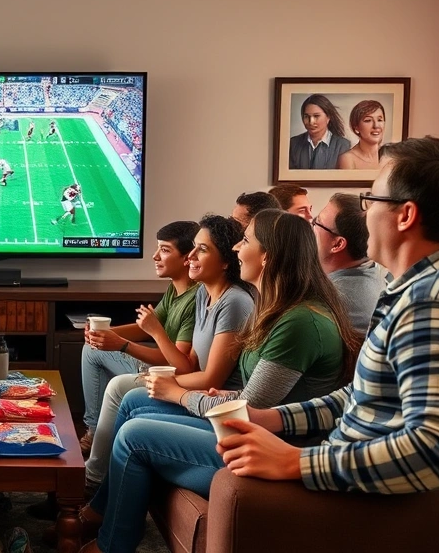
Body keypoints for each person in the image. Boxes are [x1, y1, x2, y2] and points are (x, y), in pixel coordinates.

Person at [209, 137, 439, 531]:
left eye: (371, 199)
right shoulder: (423, 287)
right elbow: (366, 394)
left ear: (405, 215)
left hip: (369, 503)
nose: (366, 212)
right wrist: (273, 418)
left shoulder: (435, 302)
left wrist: (294, 462)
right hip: (348, 467)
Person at [78, 209, 363, 553]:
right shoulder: (277, 308)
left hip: (264, 446)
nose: (238, 250)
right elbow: (258, 392)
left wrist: (181, 395)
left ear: (267, 256)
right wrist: (227, 392)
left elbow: (250, 410)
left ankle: (112, 545)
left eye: (245, 242)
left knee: (135, 436)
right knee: (137, 402)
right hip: (249, 427)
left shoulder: (299, 321)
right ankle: (102, 512)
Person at [83, 215, 253, 493]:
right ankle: (98, 472)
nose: (191, 258)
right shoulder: (203, 294)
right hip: (192, 384)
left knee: (121, 389)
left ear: (225, 261)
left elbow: (211, 378)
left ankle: (93, 480)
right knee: (120, 384)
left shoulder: (234, 302)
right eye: (193, 248)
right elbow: (191, 365)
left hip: (213, 401)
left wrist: (165, 381)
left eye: (202, 250)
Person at [78, 221, 200, 455]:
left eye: (164, 250)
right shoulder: (176, 288)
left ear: (187, 258)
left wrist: (121, 344)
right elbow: (146, 328)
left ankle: (95, 435)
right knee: (92, 346)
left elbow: (174, 364)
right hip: (160, 365)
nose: (155, 256)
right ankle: (94, 430)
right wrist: (105, 333)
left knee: (94, 352)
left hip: (166, 374)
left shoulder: (193, 299)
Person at [312, 193, 384, 333]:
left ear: (338, 244)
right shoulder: (372, 271)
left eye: (317, 222)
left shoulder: (329, 298)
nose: (311, 225)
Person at [288, 94, 352, 169]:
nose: (311, 122)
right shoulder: (293, 143)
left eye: (316, 116)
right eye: (306, 116)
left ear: (328, 117)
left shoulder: (343, 146)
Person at [336, 100, 386, 170]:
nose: (376, 126)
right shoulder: (347, 159)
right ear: (356, 127)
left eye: (380, 120)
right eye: (368, 120)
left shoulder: (389, 157)